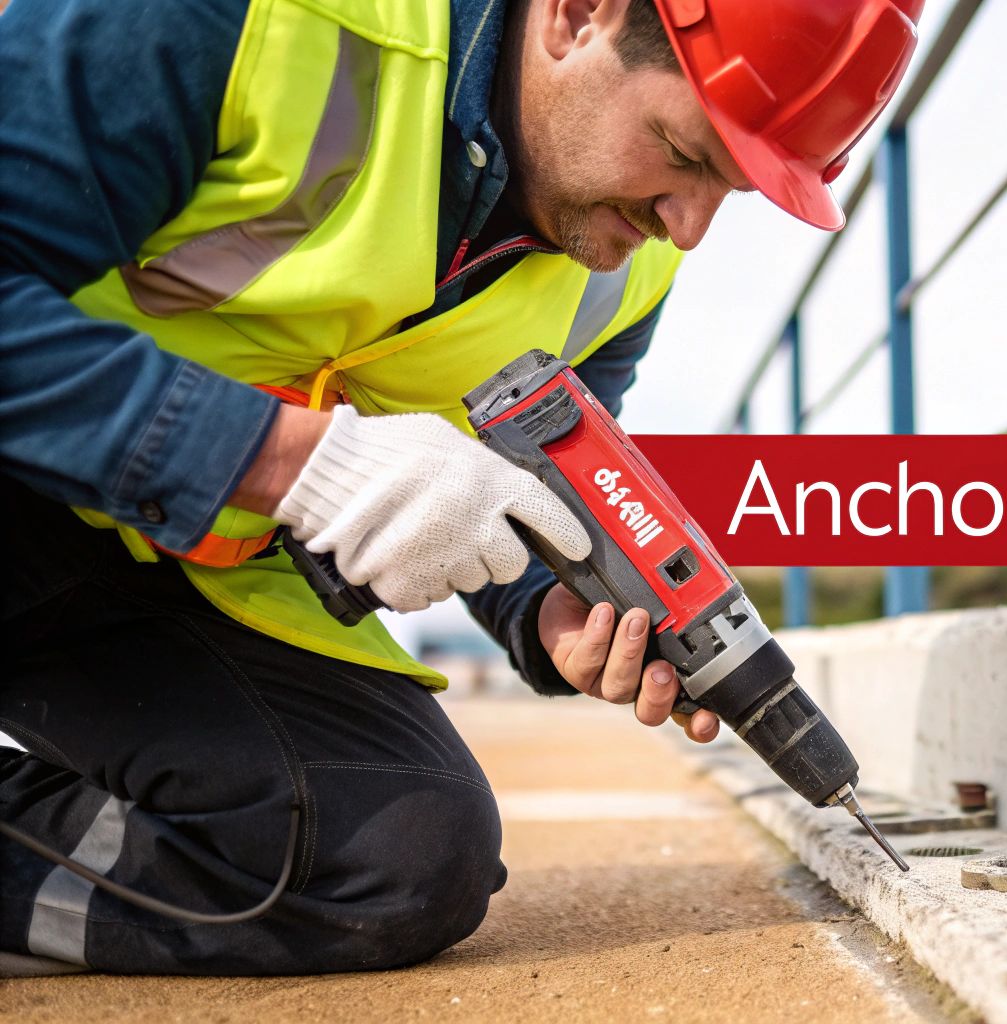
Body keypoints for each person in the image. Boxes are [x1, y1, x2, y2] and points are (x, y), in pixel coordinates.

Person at [0, 0, 920, 975]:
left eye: (730, 189)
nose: (685, 230)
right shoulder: (248, 21)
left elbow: (506, 495)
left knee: (391, 858)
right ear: (578, 17)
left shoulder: (620, 269)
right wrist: (290, 461)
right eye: (683, 154)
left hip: (168, 565)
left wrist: (551, 603)